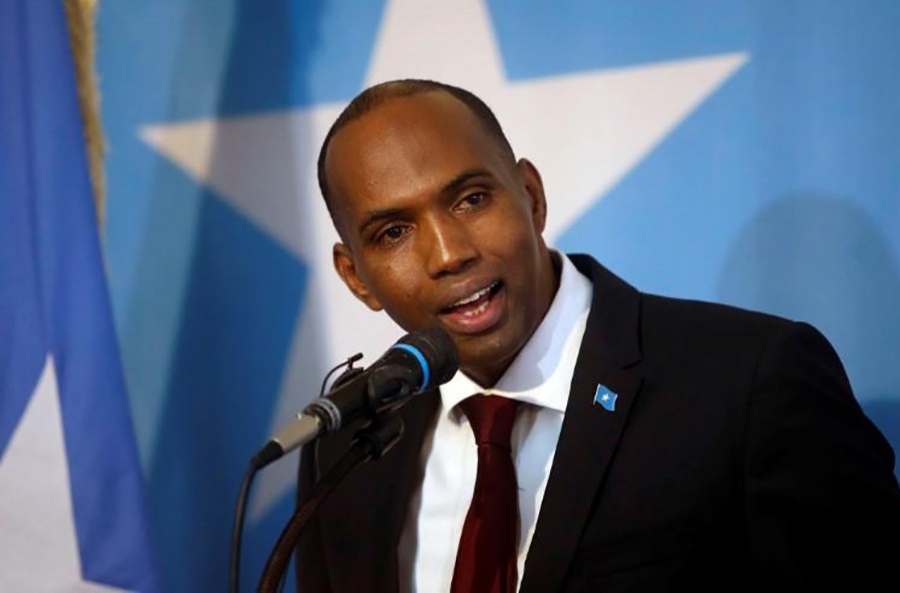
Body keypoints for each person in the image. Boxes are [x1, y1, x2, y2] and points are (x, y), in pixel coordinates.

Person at [295, 79, 900, 592]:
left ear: (530, 198)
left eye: (472, 199)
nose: (449, 253)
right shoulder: (346, 444)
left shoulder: (751, 382)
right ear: (356, 277)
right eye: (394, 233)